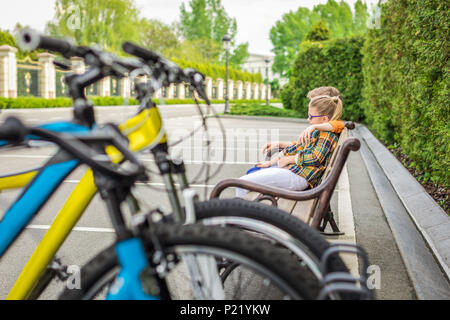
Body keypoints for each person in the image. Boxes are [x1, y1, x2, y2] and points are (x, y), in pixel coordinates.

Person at [236, 95, 343, 198]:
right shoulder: (317, 132)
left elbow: (315, 158)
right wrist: (271, 162)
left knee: (241, 184)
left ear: (324, 119)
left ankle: (243, 213)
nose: (308, 119)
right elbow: (295, 148)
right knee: (249, 176)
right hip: (295, 173)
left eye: (311, 116)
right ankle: (249, 212)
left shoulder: (327, 135)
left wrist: (289, 160)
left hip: (300, 178)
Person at [262, 86, 345, 154]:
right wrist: (279, 144)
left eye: (317, 103)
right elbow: (300, 145)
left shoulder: (333, 126)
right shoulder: (322, 129)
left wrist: (314, 127)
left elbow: (338, 124)